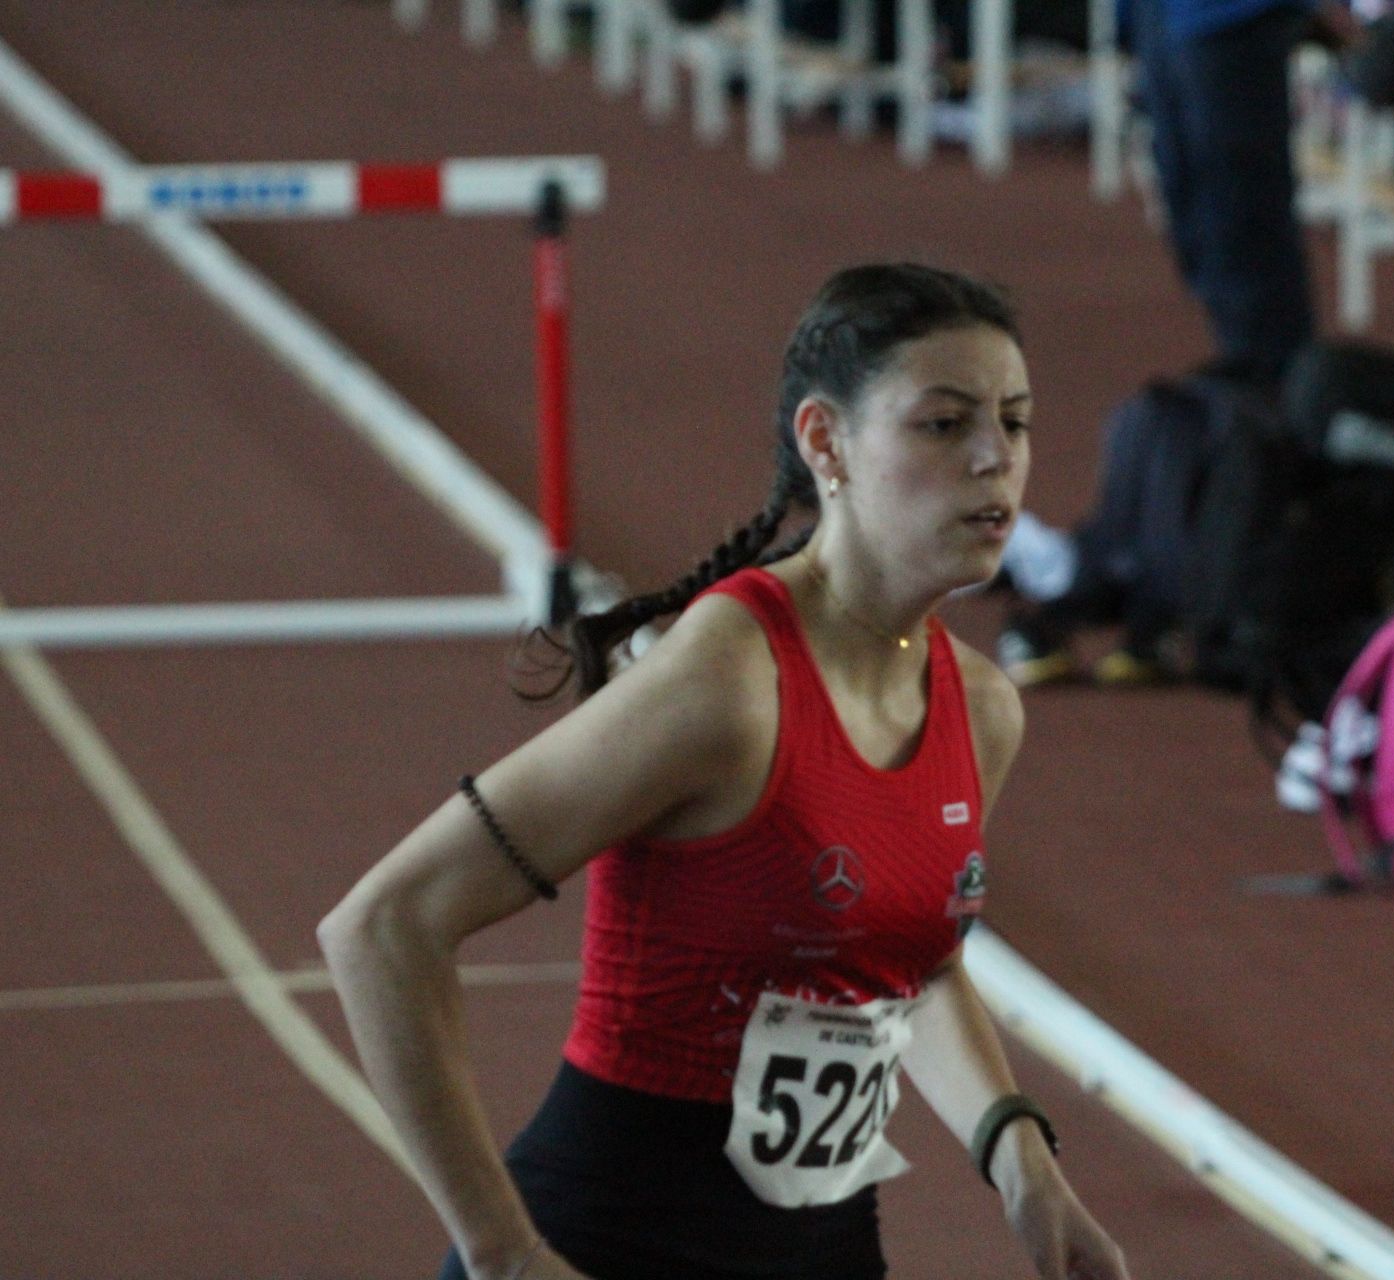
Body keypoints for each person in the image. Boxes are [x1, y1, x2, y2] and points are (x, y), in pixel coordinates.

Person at [317, 263, 1130, 1280]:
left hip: (825, 1250)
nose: (993, 461)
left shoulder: (981, 706)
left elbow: (903, 967)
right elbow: (382, 924)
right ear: (825, 442)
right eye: (943, 424)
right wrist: (505, 1252)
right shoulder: (729, 677)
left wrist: (1023, 1166)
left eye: (1013, 423)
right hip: (607, 1240)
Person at [1131, 0, 1359, 383]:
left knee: (1242, 214)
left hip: (1235, 16)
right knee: (1190, 212)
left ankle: (1277, 385)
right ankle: (1250, 372)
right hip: (1158, 13)